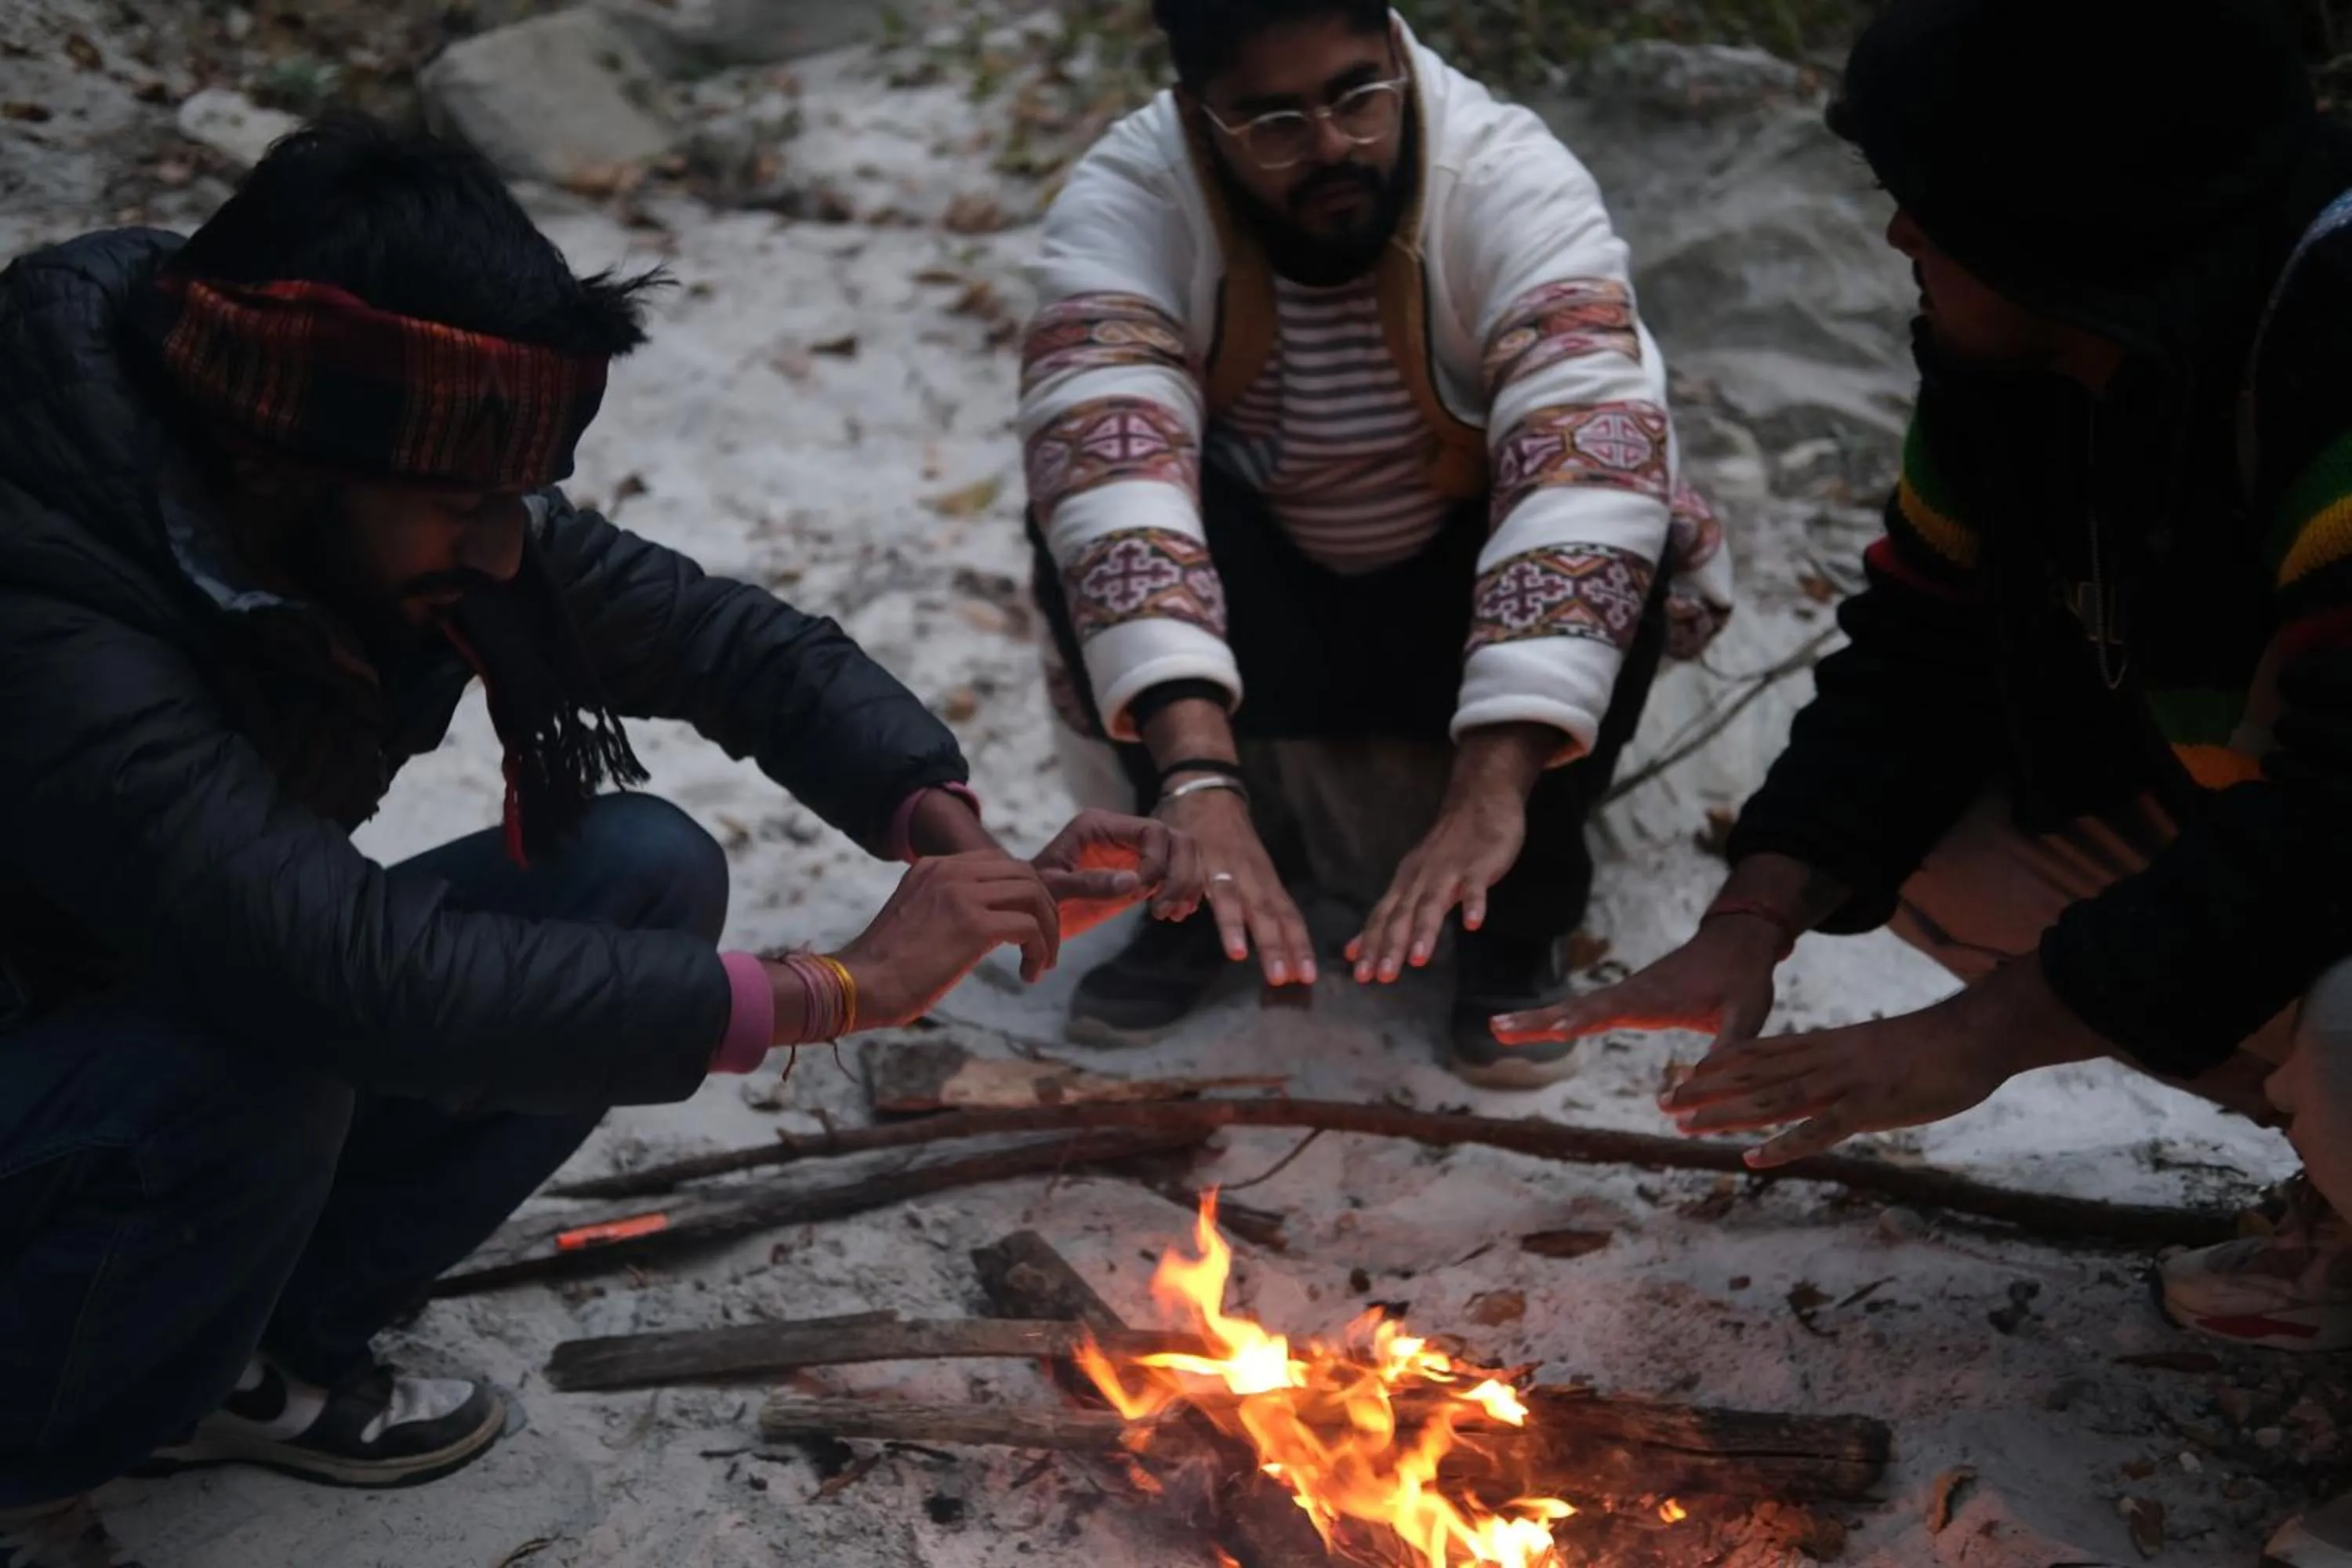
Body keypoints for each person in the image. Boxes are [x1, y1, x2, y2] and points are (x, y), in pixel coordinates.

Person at [0, 118, 1203, 1568]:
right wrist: (840, 990)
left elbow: (722, 643)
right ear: (278, 466)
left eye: (514, 498)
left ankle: (248, 1360)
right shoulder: (49, 592)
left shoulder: (350, 465)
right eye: (464, 506)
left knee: (639, 875)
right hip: (60, 1056)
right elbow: (336, 976)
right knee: (271, 1041)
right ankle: (31, 1465)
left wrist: (955, 840)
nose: (508, 549)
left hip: (125, 1003)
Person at [1488, 2, 2352, 1559]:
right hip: (2300, 816)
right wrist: (1752, 918)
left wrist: (1976, 1039)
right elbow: (1921, 646)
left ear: (2067, 225)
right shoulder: (2034, 358)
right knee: (1945, 843)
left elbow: (2347, 811)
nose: (1897, 234)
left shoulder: (2332, 337)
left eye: (1929, 208)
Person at [1018, 0, 1733, 1082]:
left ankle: (1517, 922)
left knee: (1627, 505)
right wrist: (1198, 777)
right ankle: (1190, 892)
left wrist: (1491, 788)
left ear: (1398, 53)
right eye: (1275, 123)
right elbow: (1109, 475)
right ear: (1198, 114)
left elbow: (1587, 463)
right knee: (1083, 490)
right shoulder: (1128, 197)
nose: (1332, 147)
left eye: (1357, 96)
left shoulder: (1506, 174)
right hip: (1264, 610)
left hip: (1451, 607)